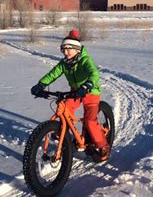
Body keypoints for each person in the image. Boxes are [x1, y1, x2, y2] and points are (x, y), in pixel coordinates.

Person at [30, 29, 110, 162]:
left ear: (77, 50)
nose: (65, 52)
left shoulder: (85, 60)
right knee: (64, 109)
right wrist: (41, 85)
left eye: (68, 49)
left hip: (90, 92)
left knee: (90, 121)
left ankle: (103, 145)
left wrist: (87, 85)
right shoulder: (64, 64)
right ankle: (63, 134)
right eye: (63, 49)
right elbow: (53, 74)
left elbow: (94, 74)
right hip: (75, 92)